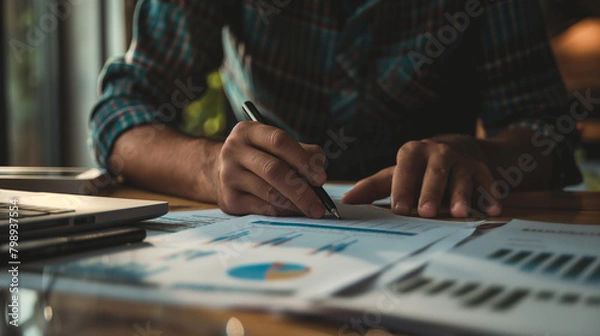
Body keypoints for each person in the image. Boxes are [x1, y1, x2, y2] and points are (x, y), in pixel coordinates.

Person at [90, 0, 582, 219]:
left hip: (437, 237)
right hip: (264, 258)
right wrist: (211, 169)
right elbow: (120, 114)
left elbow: (548, 134)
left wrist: (475, 156)